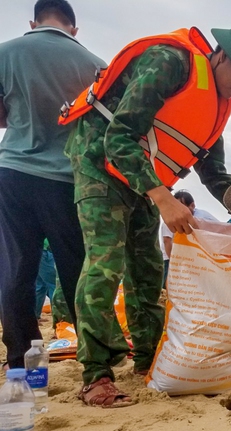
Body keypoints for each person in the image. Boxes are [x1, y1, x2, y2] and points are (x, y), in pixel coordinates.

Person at [61, 23, 231, 407]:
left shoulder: (218, 106)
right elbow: (119, 136)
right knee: (104, 264)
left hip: (142, 180)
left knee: (146, 274)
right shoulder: (170, 63)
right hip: (100, 163)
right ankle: (97, 375)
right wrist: (162, 198)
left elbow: (214, 171)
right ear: (221, 55)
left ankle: (148, 361)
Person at [0, 0, 106, 369]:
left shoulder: (6, 52)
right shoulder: (96, 65)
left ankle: (21, 360)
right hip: (68, 179)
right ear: (74, 29)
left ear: (33, 22)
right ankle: (93, 359)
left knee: (16, 270)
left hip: (14, 171)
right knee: (76, 268)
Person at [160, 190, 218, 287]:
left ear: (192, 205)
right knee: (170, 286)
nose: (178, 210)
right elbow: (167, 241)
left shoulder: (201, 217)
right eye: (176, 206)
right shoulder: (171, 219)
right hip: (171, 258)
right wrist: (175, 263)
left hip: (192, 258)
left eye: (182, 206)